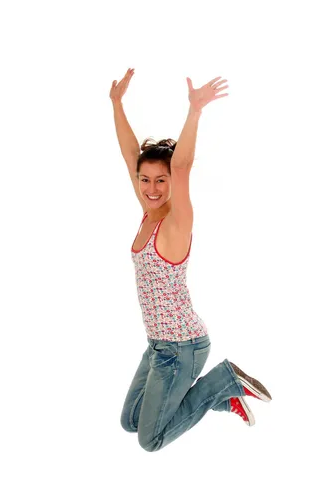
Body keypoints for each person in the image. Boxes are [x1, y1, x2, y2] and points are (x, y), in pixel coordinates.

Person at [110, 68, 272, 452]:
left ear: (172, 183)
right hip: (158, 345)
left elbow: (180, 167)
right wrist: (116, 104)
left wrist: (194, 112)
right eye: (144, 180)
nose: (151, 188)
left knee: (150, 439)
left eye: (160, 181)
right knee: (129, 421)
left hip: (182, 346)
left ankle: (224, 381)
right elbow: (130, 154)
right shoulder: (148, 213)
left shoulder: (176, 222)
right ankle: (218, 396)